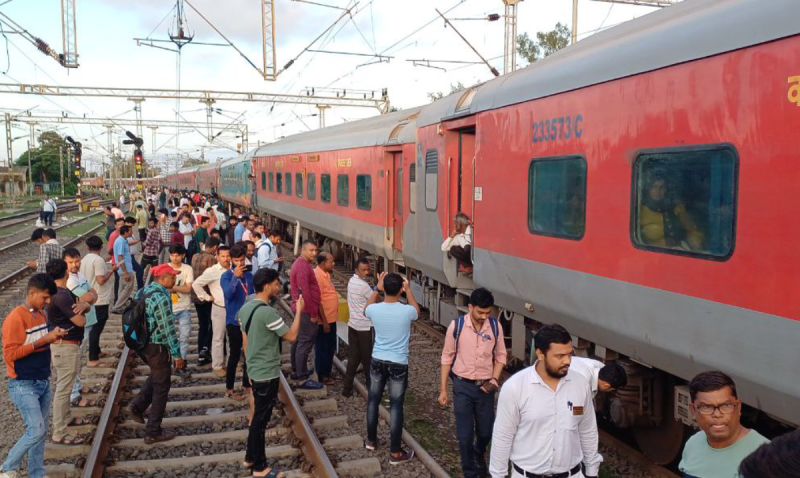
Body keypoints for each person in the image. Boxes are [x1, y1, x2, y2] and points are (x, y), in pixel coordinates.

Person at [489, 324, 602, 478]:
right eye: (559, 356)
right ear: (540, 354)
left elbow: (588, 430)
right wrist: (498, 475)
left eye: (569, 354)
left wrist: (591, 472)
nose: (567, 361)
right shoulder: (515, 387)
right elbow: (503, 435)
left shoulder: (581, 384)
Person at [1, 274, 67, 478]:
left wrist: (52, 335)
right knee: (36, 430)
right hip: (23, 383)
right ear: (32, 293)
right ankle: (7, 468)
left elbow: (41, 337)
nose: (47, 303)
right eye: (45, 298)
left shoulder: (40, 314)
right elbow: (10, 354)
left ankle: (37, 473)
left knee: (40, 434)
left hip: (42, 381)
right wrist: (42, 341)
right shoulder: (15, 318)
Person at [240, 268, 303, 477]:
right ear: (267, 286)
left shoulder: (246, 309)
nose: (279, 286)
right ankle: (260, 467)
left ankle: (250, 457)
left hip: (255, 370)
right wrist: (299, 311)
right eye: (276, 283)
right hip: (267, 372)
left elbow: (245, 342)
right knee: (260, 420)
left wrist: (249, 367)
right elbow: (291, 336)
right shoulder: (268, 312)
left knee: (258, 415)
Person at [439, 288, 507, 478]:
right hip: (462, 386)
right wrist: (443, 389)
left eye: (487, 313)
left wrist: (494, 378)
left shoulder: (495, 327)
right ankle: (470, 472)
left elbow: (501, 355)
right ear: (470, 307)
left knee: (486, 432)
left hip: (486, 388)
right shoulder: (457, 326)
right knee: (464, 435)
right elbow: (447, 357)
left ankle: (479, 451)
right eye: (480, 312)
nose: (484, 316)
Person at [364, 272, 420, 464]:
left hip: (378, 360)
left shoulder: (375, 309)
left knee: (373, 401)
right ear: (400, 290)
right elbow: (416, 310)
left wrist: (376, 288)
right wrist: (409, 290)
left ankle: (371, 441)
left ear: (384, 288)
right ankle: (395, 452)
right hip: (398, 363)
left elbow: (366, 308)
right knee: (396, 406)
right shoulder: (407, 311)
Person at [128, 264, 184, 444]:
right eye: (172, 276)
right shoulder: (161, 297)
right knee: (162, 387)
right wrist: (177, 354)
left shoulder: (143, 291)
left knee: (157, 375)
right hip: (157, 347)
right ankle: (153, 431)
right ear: (162, 278)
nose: (174, 279)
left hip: (143, 345)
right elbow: (167, 329)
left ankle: (137, 405)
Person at [679, 371, 770, 478]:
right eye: (706, 407)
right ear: (693, 410)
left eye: (726, 405)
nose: (717, 414)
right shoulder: (692, 444)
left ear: (738, 407)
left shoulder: (765, 454)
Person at [45, 259, 89, 446]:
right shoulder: (61, 295)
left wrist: (84, 306)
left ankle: (67, 418)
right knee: (63, 389)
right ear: (65, 272)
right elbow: (80, 321)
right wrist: (84, 309)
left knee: (67, 386)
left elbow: (85, 302)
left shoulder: (62, 292)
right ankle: (59, 432)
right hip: (65, 346)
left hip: (67, 345)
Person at [63, 248, 99, 408]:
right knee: (75, 359)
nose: (74, 264)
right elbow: (88, 296)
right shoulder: (69, 281)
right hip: (79, 324)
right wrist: (89, 298)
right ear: (65, 262)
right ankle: (74, 395)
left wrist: (89, 298)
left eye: (77, 261)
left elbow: (93, 294)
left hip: (88, 321)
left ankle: (77, 386)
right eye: (70, 262)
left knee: (80, 356)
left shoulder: (80, 275)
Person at [221, 244, 254, 400]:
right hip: (234, 321)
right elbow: (228, 294)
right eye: (236, 261)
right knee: (234, 355)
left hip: (249, 321)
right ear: (231, 261)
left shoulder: (249, 276)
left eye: (242, 260)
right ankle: (229, 388)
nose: (240, 264)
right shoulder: (226, 276)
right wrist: (235, 276)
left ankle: (246, 383)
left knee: (249, 353)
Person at [192, 245, 231, 377]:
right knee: (218, 338)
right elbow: (196, 284)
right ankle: (217, 366)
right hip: (219, 308)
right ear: (217, 257)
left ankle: (232, 364)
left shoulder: (235, 269)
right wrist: (207, 297)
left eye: (228, 256)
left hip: (234, 309)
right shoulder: (212, 271)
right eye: (223, 256)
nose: (226, 259)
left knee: (232, 339)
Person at [289, 240, 322, 389]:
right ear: (303, 250)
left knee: (298, 341)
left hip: (301, 309)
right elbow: (305, 292)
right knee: (305, 342)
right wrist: (313, 313)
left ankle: (297, 370)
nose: (314, 253)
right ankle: (302, 378)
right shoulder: (302, 266)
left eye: (316, 250)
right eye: (311, 250)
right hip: (305, 310)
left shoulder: (301, 263)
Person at [639, 173, 704, 251]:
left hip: (680, 251)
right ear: (648, 189)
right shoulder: (640, 211)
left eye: (662, 187)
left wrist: (695, 243)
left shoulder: (676, 207)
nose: (658, 191)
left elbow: (691, 230)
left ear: (666, 190)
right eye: (654, 187)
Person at [82, 235, 116, 367]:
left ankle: (97, 350)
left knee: (94, 326)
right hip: (99, 298)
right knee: (96, 328)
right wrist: (112, 271)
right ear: (101, 247)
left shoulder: (85, 259)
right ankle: (92, 357)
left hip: (89, 297)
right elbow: (100, 280)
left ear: (88, 247)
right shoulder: (99, 261)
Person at [343, 258, 374, 397]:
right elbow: (375, 299)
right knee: (367, 359)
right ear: (356, 270)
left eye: (368, 269)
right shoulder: (363, 286)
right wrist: (377, 289)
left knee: (353, 358)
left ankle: (346, 389)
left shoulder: (351, 281)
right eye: (363, 270)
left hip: (353, 325)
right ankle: (371, 386)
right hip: (364, 327)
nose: (367, 272)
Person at [191, 237, 220, 367]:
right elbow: (213, 279)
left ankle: (200, 352)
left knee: (202, 324)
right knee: (211, 324)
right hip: (208, 296)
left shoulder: (194, 256)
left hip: (196, 296)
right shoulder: (211, 259)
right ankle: (206, 350)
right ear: (215, 248)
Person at [167, 244, 194, 370]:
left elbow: (188, 289)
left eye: (177, 255)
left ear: (183, 256)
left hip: (184, 307)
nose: (174, 258)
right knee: (168, 337)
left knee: (184, 337)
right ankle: (172, 360)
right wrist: (180, 288)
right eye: (172, 255)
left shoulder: (187, 269)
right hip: (168, 308)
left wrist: (171, 288)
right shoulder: (165, 268)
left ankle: (180, 362)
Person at [314, 252, 338, 386]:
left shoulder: (325, 274)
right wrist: (324, 321)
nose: (333, 263)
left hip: (330, 318)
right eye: (331, 261)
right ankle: (322, 375)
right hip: (325, 320)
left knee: (330, 347)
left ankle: (326, 372)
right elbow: (317, 301)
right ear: (323, 263)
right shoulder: (318, 276)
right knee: (323, 348)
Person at [111, 225, 135, 314]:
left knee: (122, 288)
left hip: (123, 268)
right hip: (125, 269)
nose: (131, 232)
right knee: (128, 287)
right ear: (125, 232)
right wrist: (125, 272)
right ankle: (117, 307)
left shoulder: (122, 240)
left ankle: (121, 305)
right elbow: (120, 257)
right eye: (130, 231)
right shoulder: (120, 241)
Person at [124, 216, 144, 289]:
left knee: (139, 270)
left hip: (131, 256)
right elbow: (126, 242)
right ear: (127, 223)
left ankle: (140, 286)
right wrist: (137, 241)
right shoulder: (125, 232)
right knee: (139, 270)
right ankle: (140, 287)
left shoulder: (130, 231)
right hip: (129, 256)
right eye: (132, 224)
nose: (133, 226)